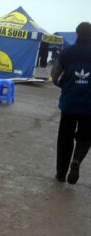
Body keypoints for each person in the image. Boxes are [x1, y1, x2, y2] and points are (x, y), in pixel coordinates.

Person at [51, 22, 91, 184]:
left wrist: (66, 86)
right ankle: (76, 160)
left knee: (65, 138)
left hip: (69, 103)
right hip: (89, 106)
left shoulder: (67, 52)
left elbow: (55, 76)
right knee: (85, 138)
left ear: (77, 34)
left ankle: (61, 173)